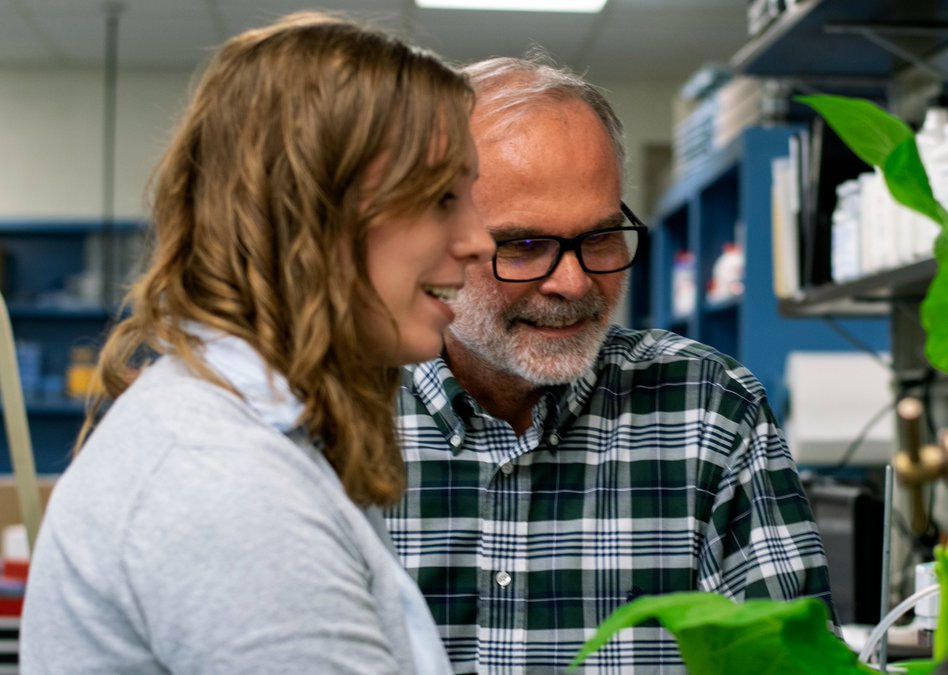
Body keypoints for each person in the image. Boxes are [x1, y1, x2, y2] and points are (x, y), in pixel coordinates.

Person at [20, 12, 493, 674]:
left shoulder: (253, 433)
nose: (481, 239)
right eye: (442, 196)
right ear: (311, 210)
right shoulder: (225, 482)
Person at [385, 56, 834, 673]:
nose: (573, 282)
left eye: (599, 237)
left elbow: (794, 665)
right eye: (523, 246)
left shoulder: (709, 408)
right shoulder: (339, 412)